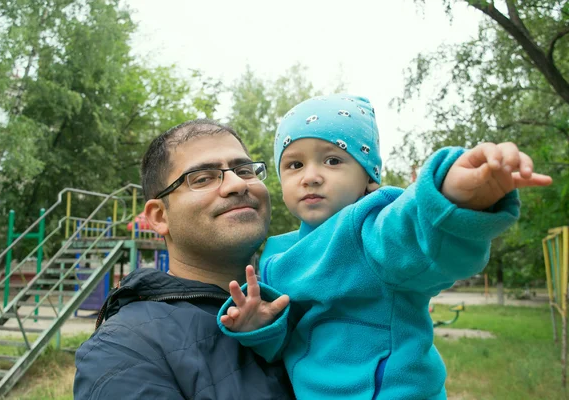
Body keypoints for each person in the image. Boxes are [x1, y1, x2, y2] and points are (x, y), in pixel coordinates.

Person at [217, 94, 552, 400]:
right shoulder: (277, 253)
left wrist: (450, 197)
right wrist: (260, 327)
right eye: (294, 164)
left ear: (368, 178)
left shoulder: (370, 228)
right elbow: (291, 341)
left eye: (333, 160)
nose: (311, 176)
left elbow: (413, 233)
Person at [73, 119, 294, 399]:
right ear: (159, 216)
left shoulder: (307, 297)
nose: (237, 184)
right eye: (203, 178)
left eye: (245, 170)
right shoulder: (122, 350)